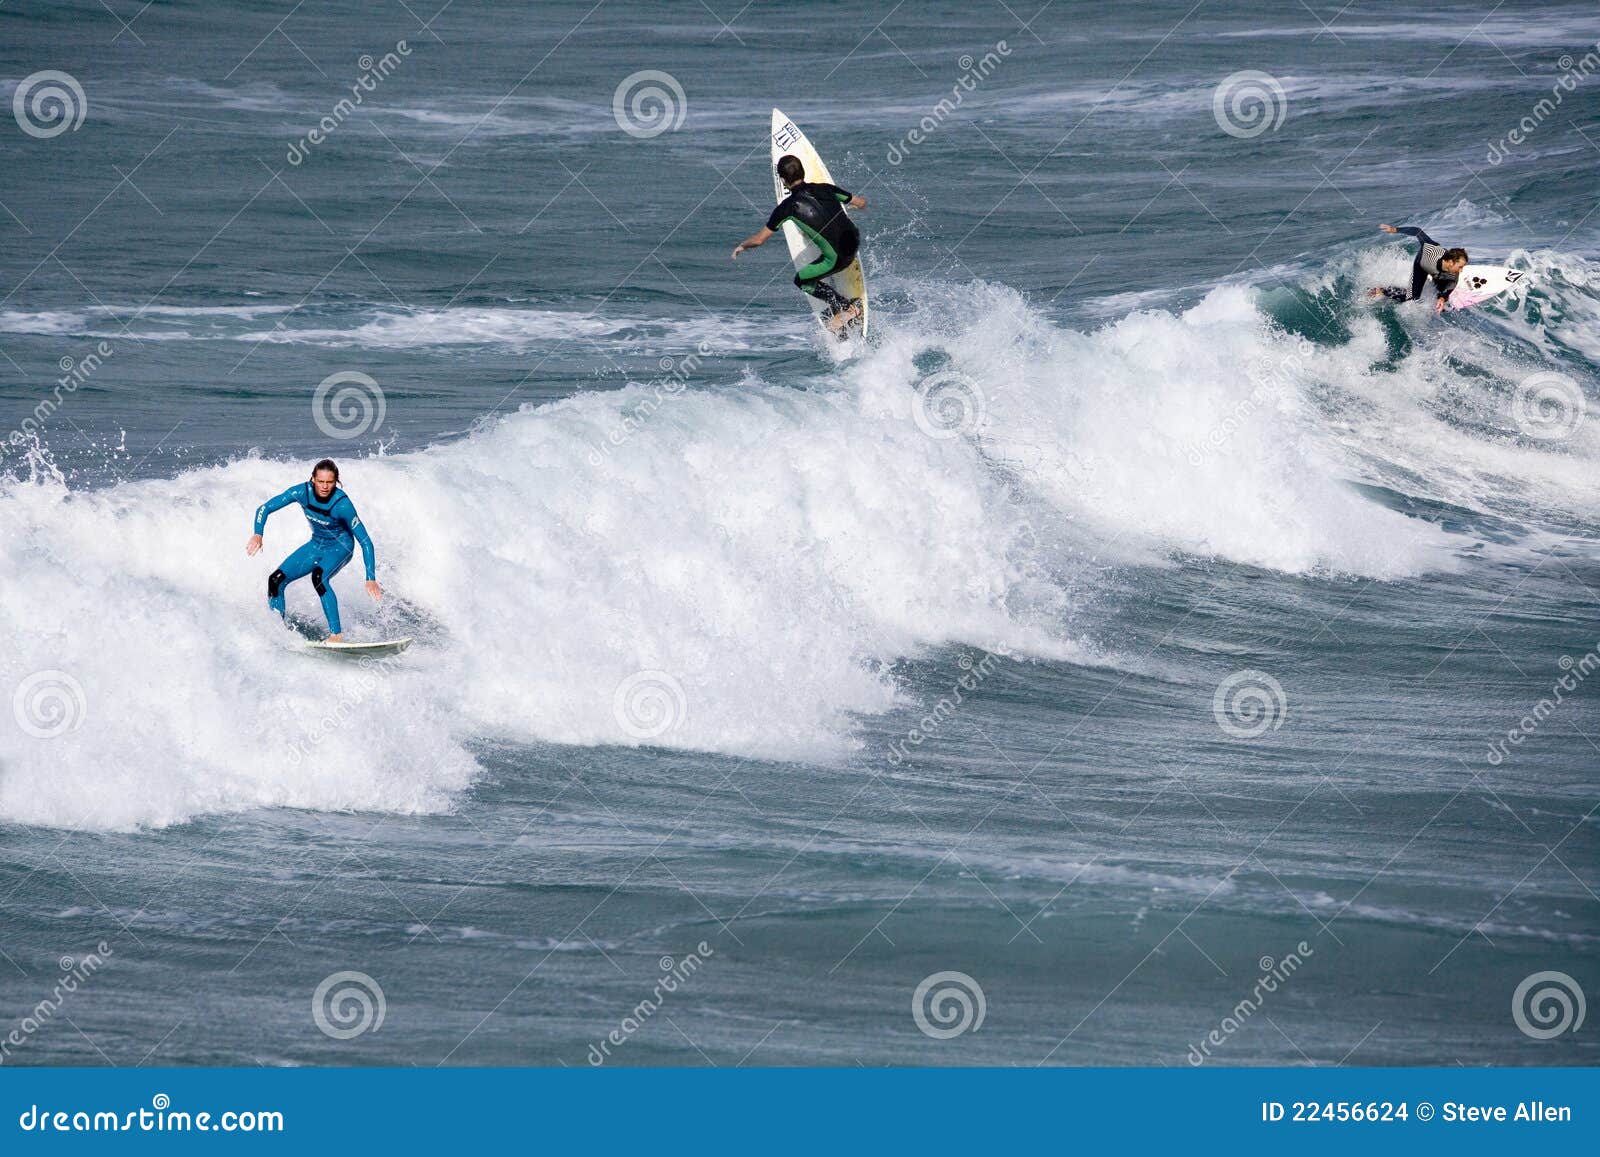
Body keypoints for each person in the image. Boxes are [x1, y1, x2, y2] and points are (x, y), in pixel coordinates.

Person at [246, 459, 380, 640]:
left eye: (330, 482)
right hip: (316, 544)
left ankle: (336, 635)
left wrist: (370, 578)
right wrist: (258, 534)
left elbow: (365, 541)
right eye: (321, 481)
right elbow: (264, 508)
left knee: (319, 578)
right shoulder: (301, 492)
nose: (325, 486)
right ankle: (277, 629)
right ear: (312, 479)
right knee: (275, 580)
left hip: (341, 548)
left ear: (336, 482)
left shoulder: (342, 504)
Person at [732, 154, 867, 332]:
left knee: (802, 280)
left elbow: (759, 240)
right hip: (855, 242)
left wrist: (742, 246)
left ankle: (847, 308)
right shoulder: (827, 188)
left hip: (838, 259)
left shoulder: (787, 207)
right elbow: (861, 203)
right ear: (803, 172)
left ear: (782, 180)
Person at [1367, 223, 1469, 313]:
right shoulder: (1430, 250)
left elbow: (1452, 284)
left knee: (1442, 290)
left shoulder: (1453, 273)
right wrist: (1395, 230)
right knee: (1411, 298)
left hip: (1438, 271)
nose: (1461, 270)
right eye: (1460, 267)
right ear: (1451, 262)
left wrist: (1442, 298)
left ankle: (1438, 288)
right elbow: (1418, 231)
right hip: (1422, 266)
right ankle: (1381, 290)